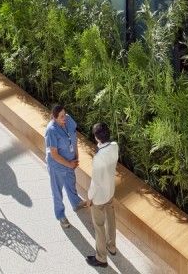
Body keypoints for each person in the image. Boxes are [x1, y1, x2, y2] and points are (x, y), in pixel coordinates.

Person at [45, 104, 87, 228]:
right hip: (57, 166)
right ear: (54, 118)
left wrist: (76, 156)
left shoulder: (68, 119)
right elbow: (54, 154)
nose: (65, 118)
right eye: (61, 117)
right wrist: (68, 163)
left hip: (70, 161)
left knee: (71, 183)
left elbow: (74, 138)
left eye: (65, 114)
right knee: (57, 191)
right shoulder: (51, 130)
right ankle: (61, 216)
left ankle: (76, 203)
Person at [85, 121, 119, 268]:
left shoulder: (98, 158)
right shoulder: (115, 146)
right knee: (111, 220)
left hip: (99, 197)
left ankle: (101, 258)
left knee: (99, 226)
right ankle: (112, 247)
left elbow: (95, 183)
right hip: (110, 191)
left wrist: (89, 198)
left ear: (96, 138)